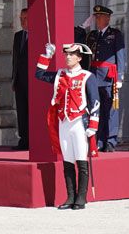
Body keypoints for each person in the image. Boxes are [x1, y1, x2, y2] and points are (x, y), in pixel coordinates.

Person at [35, 42, 99, 210]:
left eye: (71, 55)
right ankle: (70, 196)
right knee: (68, 161)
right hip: (64, 122)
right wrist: (47, 55)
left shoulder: (87, 76)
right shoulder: (60, 75)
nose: (68, 57)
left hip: (79, 122)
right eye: (66, 54)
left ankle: (81, 198)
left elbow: (95, 102)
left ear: (79, 57)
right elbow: (39, 74)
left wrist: (93, 124)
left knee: (81, 159)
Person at [83, 5, 125, 152]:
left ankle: (111, 141)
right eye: (96, 16)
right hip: (94, 76)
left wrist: (119, 77)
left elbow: (120, 56)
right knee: (96, 109)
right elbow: (79, 44)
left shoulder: (115, 34)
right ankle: (99, 141)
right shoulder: (92, 35)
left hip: (109, 77)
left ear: (108, 18)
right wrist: (83, 27)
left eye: (100, 16)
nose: (98, 19)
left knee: (111, 110)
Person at [11, 8, 29, 150]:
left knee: (31, 111)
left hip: (33, 82)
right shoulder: (18, 36)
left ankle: (33, 140)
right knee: (21, 111)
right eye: (21, 19)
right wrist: (14, 79)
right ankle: (24, 140)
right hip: (20, 81)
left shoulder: (38, 36)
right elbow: (15, 60)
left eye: (25, 18)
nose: (22, 22)